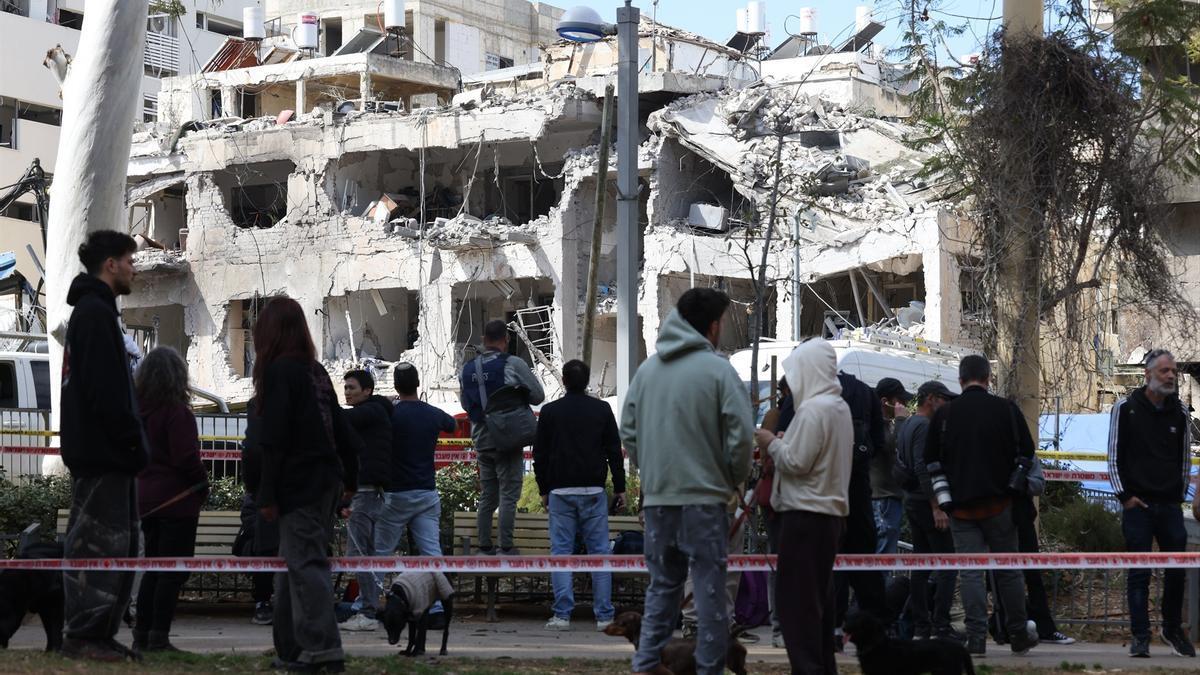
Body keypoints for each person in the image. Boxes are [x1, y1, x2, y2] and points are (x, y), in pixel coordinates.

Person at [620, 288, 754, 675]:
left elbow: (628, 431)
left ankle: (646, 665)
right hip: (705, 501)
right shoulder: (719, 371)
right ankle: (708, 670)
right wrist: (733, 479)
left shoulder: (647, 371)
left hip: (659, 501)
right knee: (710, 594)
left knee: (663, 587)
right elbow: (741, 436)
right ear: (712, 326)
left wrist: (654, 470)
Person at [254, 297, 361, 673]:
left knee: (305, 565)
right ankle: (291, 649)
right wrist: (351, 479)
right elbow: (341, 427)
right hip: (325, 480)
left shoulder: (279, 372)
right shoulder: (315, 371)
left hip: (299, 482)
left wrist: (266, 494)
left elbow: (274, 439)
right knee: (293, 566)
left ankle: (323, 651)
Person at [60, 230, 148, 662]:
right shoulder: (94, 314)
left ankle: (100, 634)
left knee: (120, 547)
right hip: (103, 455)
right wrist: (131, 440)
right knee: (100, 547)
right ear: (110, 264)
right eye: (129, 260)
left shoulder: (97, 312)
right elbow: (106, 392)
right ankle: (85, 636)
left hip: (109, 455)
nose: (134, 269)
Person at [924, 354, 1038, 656]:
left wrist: (943, 501)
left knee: (971, 573)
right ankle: (1017, 633)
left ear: (960, 380)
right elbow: (1027, 453)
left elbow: (931, 461)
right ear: (988, 378)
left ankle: (976, 638)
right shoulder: (1007, 410)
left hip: (960, 509)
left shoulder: (945, 415)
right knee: (1008, 571)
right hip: (1001, 506)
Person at [754, 339, 851, 675]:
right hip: (829, 516)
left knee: (797, 606)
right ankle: (821, 667)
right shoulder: (838, 408)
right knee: (817, 603)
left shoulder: (813, 410)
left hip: (805, 516)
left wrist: (771, 443)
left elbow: (796, 462)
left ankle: (808, 668)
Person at [1108, 349, 1195, 658]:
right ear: (1148, 374)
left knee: (1176, 572)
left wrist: (1178, 495)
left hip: (1170, 506)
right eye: (1164, 371)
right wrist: (1125, 497)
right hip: (1138, 506)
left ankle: (1172, 630)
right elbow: (1113, 457)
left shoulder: (1180, 412)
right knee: (1139, 573)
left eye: (1173, 371)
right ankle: (1140, 636)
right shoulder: (1125, 408)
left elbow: (1185, 459)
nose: (1171, 376)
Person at [534, 359, 625, 632]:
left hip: (560, 491)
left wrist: (543, 489)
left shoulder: (550, 412)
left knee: (561, 552)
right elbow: (614, 451)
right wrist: (620, 487)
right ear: (587, 382)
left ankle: (562, 615)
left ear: (564, 381)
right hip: (593, 490)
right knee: (599, 554)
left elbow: (540, 454)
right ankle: (604, 615)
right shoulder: (602, 409)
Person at [133, 347, 208, 653]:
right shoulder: (177, 413)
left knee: (153, 569)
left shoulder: (137, 414)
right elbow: (186, 457)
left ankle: (142, 634)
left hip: (146, 500)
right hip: (178, 501)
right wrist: (202, 484)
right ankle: (159, 636)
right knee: (172, 571)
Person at [374, 362, 456, 622]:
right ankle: (439, 608)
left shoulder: (390, 414)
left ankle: (368, 603)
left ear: (395, 386)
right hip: (426, 493)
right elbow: (452, 424)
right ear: (418, 383)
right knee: (431, 553)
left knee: (381, 552)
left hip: (396, 494)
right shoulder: (432, 413)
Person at [459, 319, 545, 554]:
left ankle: (484, 546)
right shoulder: (513, 364)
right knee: (508, 494)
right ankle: (506, 547)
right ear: (506, 340)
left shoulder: (467, 369)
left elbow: (466, 404)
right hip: (508, 439)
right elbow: (538, 396)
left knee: (489, 494)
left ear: (484, 340)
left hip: (481, 439)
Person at [894, 381, 959, 641]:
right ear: (930, 398)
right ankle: (940, 625)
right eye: (944, 399)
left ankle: (921, 626)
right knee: (948, 565)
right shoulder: (923, 426)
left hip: (912, 501)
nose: (947, 404)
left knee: (921, 565)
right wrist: (936, 506)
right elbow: (923, 466)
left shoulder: (909, 423)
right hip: (925, 503)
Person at [989, 458, 1075, 646]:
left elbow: (1038, 485)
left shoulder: (1024, 453)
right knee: (1000, 576)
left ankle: (1045, 629)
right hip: (995, 519)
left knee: (1032, 576)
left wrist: (1022, 482)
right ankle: (1002, 627)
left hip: (1021, 519)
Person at [338, 369, 394, 632]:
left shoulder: (371, 412)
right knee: (364, 552)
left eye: (352, 387)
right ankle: (366, 607)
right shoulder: (372, 412)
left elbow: (339, 420)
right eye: (345, 388)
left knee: (361, 553)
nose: (347, 392)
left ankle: (367, 611)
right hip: (364, 492)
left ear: (367, 391)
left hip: (366, 492)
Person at [834, 370, 888, 637]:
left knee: (829, 559)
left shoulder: (811, 393)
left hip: (823, 489)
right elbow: (878, 441)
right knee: (863, 557)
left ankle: (833, 626)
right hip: (858, 486)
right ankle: (874, 625)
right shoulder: (866, 393)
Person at [236, 397, 279, 626]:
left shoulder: (260, 404)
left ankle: (266, 601)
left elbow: (252, 450)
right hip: (295, 498)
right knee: (266, 547)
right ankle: (264, 600)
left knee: (268, 545)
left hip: (269, 498)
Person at [872, 378, 910, 556]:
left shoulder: (886, 424)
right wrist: (901, 420)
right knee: (884, 551)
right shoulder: (877, 425)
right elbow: (898, 449)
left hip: (888, 496)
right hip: (883, 498)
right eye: (899, 400)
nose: (903, 404)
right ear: (885, 401)